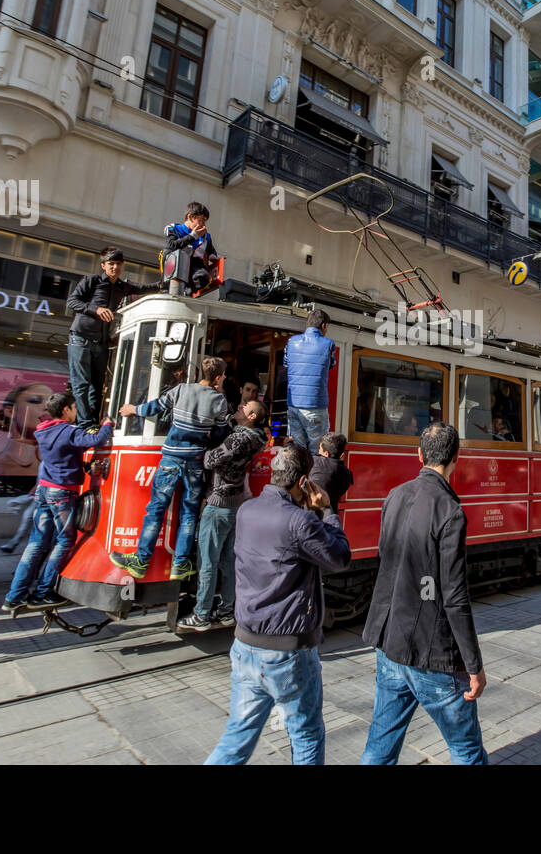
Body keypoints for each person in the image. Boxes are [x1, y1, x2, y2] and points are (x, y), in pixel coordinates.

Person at [207, 445, 351, 764]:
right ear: (302, 481)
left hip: (245, 645)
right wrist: (326, 511)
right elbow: (340, 558)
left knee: (236, 739)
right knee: (306, 734)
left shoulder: (246, 510)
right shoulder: (299, 521)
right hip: (287, 652)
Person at [361, 423, 488, 764]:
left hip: (389, 644)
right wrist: (474, 664)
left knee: (380, 744)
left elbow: (385, 561)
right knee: (465, 748)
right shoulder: (450, 512)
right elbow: (455, 596)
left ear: (418, 454)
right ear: (456, 459)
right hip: (432, 654)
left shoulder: (394, 495)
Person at [111, 357, 229, 580]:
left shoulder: (181, 390)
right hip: (195, 461)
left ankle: (140, 561)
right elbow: (220, 434)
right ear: (217, 377)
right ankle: (180, 564)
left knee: (156, 510)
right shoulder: (219, 401)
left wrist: (133, 409)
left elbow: (156, 407)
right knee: (189, 514)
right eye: (223, 375)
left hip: (170, 459)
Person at [2, 394, 113, 611]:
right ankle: (43, 592)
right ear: (65, 410)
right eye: (73, 407)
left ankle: (14, 596)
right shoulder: (69, 431)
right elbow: (96, 440)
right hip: (62, 492)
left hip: (44, 490)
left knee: (36, 543)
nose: (76, 412)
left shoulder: (43, 430)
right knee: (65, 541)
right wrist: (107, 424)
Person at [179, 400, 269, 633]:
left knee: (207, 561)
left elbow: (210, 460)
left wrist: (206, 446)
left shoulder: (238, 439)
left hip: (218, 503)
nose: (239, 408)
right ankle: (227, 611)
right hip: (235, 503)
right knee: (229, 561)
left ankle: (201, 615)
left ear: (251, 417)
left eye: (243, 408)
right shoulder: (255, 439)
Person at [65, 246, 161, 426]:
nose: (115, 267)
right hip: (80, 338)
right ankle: (85, 424)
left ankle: (92, 423)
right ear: (103, 265)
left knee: (97, 387)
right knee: (81, 385)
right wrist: (96, 309)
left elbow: (145, 288)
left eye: (118, 264)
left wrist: (168, 282)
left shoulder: (122, 287)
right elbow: (72, 301)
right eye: (111, 264)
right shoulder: (91, 281)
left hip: (100, 343)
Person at [284, 310, 336, 455]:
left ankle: (297, 476)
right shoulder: (328, 344)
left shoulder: (291, 341)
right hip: (315, 405)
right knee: (317, 450)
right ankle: (312, 477)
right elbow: (331, 365)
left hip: (293, 404)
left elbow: (286, 363)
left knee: (297, 450)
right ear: (324, 326)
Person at [163, 201, 219, 294]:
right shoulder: (174, 228)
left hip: (194, 266)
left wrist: (213, 257)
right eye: (201, 220)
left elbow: (211, 251)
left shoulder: (206, 236)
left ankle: (188, 291)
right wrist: (193, 236)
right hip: (176, 265)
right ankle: (164, 287)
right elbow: (171, 245)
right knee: (166, 252)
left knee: (204, 277)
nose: (203, 225)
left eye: (205, 221)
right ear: (190, 217)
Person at [309, 432, 354, 508]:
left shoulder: (314, 462)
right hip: (330, 513)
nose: (318, 452)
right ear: (342, 455)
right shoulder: (348, 474)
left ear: (326, 454)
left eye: (320, 449)